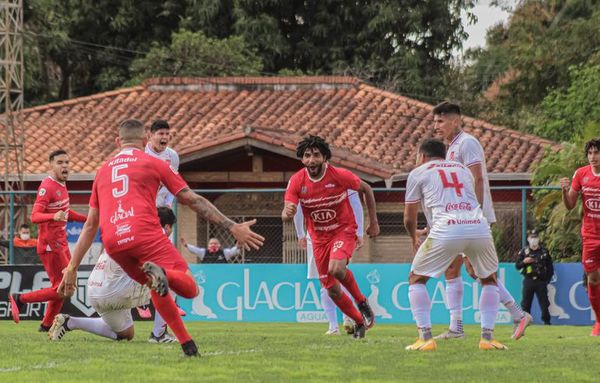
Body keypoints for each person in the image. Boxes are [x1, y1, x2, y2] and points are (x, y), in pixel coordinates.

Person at [57, 119, 264, 357]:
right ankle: (164, 279)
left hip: (113, 243)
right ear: (145, 141)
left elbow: (91, 224)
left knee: (155, 284)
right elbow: (191, 199)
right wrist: (231, 225)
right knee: (189, 288)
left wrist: (72, 267)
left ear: (117, 142)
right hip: (145, 231)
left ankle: (187, 345)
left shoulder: (102, 171)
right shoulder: (153, 162)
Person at [432, 101, 531, 340]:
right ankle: (457, 327)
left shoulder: (468, 143)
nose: (435, 126)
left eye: (440, 121)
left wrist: (473, 212)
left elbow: (477, 179)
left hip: (473, 216)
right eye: (434, 121)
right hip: (460, 216)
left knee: (478, 270)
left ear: (456, 121)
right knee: (453, 267)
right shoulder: (452, 147)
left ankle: (518, 314)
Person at [404, 138, 506, 351]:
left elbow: (408, 217)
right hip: (478, 224)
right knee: (489, 279)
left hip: (447, 225)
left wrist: (413, 236)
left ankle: (425, 338)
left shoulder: (418, 172)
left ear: (422, 156)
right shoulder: (462, 168)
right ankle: (488, 339)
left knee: (416, 278)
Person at [282, 135, 379, 339]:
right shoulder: (296, 181)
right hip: (318, 239)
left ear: (325, 157)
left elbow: (367, 189)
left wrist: (373, 222)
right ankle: (359, 322)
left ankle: (361, 301)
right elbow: (286, 211)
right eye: (307, 156)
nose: (312, 160)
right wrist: (287, 212)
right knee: (332, 290)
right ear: (302, 159)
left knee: (336, 269)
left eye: (316, 155)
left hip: (342, 230)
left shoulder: (339, 175)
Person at [48, 206, 181, 343]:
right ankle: (159, 334)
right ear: (166, 226)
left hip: (95, 288)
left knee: (126, 333)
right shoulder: (155, 232)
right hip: (115, 291)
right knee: (173, 279)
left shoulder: (124, 227)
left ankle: (70, 322)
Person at [8, 150, 87, 331]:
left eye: (67, 162)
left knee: (64, 287)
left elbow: (65, 213)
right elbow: (34, 216)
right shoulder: (48, 186)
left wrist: (88, 219)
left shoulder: (61, 184)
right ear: (51, 165)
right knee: (64, 287)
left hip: (61, 243)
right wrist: (53, 216)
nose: (65, 166)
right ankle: (20, 299)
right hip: (50, 245)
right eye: (60, 162)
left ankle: (46, 324)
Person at [293, 189, 364, 335]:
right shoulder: (300, 181)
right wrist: (300, 232)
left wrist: (359, 231)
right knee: (326, 281)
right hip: (316, 236)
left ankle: (341, 322)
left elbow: (355, 200)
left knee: (337, 274)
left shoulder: (340, 177)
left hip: (339, 233)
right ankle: (336, 324)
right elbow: (296, 206)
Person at [560, 138, 600, 336]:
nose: (593, 157)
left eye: (597, 153)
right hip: (590, 236)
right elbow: (569, 205)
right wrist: (564, 191)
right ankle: (599, 322)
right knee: (593, 278)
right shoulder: (581, 174)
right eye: (590, 153)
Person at [515, 229, 554, 325]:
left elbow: (550, 267)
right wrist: (524, 261)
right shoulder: (524, 251)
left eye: (535, 237)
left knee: (544, 303)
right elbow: (517, 265)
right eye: (532, 238)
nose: (534, 240)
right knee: (526, 303)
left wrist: (547, 280)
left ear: (538, 239)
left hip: (541, 281)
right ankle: (525, 322)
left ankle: (547, 322)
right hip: (528, 280)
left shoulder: (544, 252)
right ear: (528, 239)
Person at [145, 119, 180, 208]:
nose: (165, 137)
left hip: (161, 207)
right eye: (161, 134)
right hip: (143, 206)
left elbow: (173, 184)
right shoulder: (142, 153)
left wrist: (168, 203)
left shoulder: (172, 156)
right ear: (151, 135)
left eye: (167, 134)